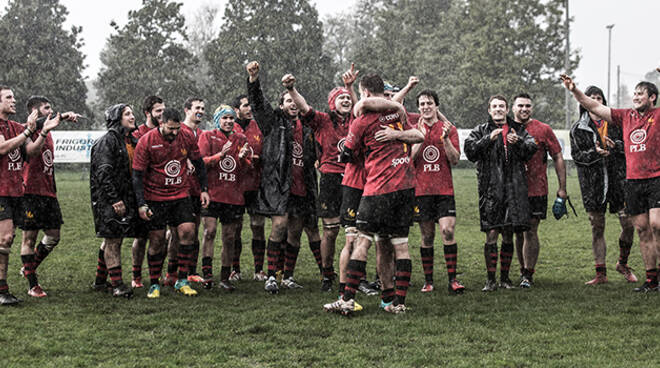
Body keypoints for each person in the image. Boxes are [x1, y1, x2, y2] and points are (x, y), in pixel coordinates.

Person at [324, 73, 424, 315]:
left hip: (378, 188)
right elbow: (419, 135)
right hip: (405, 188)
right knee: (400, 244)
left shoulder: (361, 121)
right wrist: (397, 135)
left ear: (364, 91)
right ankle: (396, 303)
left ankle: (347, 299)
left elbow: (346, 154)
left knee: (363, 240)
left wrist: (382, 141)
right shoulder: (398, 114)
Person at [562, 74, 660, 292]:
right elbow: (590, 105)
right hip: (629, 182)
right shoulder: (624, 116)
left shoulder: (657, 115)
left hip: (649, 179)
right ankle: (651, 280)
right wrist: (574, 90)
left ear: (652, 97)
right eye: (634, 93)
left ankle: (648, 272)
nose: (635, 97)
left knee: (655, 225)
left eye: (640, 93)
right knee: (642, 228)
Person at [246, 61, 318, 293]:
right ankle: (271, 276)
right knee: (279, 226)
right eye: (288, 101)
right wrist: (254, 80)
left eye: (295, 100)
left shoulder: (308, 128)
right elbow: (257, 104)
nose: (293, 104)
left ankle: (287, 275)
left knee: (295, 233)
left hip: (302, 186)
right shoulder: (273, 122)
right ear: (281, 105)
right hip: (279, 185)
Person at [287, 64, 358, 291]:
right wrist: (291, 89)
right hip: (330, 179)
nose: (346, 101)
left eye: (348, 98)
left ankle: (355, 276)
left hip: (354, 181)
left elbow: (362, 109)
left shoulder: (356, 121)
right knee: (331, 230)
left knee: (354, 233)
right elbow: (304, 107)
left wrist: (350, 87)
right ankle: (327, 274)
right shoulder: (322, 121)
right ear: (332, 102)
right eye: (341, 98)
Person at [132, 107, 210, 298]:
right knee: (157, 240)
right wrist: (141, 203)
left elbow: (198, 162)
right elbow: (137, 176)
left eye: (177, 128)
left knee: (188, 232)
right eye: (170, 129)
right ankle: (154, 283)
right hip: (155, 198)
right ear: (161, 123)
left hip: (180, 195)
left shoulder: (185, 135)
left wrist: (204, 189)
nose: (174, 133)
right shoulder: (147, 141)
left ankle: (181, 280)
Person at [464, 95, 537, 292]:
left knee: (507, 234)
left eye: (501, 106)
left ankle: (505, 278)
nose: (498, 109)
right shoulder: (481, 130)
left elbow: (532, 148)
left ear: (507, 110)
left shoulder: (518, 129)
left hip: (513, 190)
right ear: (489, 110)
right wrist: (488, 140)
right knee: (491, 234)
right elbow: (470, 151)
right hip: (490, 191)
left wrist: (519, 142)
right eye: (494, 106)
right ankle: (490, 279)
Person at [569, 86, 636, 285]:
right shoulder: (578, 128)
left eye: (599, 98)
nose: (595, 101)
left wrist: (618, 148)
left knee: (628, 224)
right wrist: (594, 154)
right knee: (597, 227)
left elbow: (631, 147)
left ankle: (622, 263)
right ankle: (600, 274)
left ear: (604, 101)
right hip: (593, 185)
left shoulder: (616, 123)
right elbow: (577, 156)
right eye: (592, 97)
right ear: (584, 101)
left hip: (618, 181)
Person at [0, 86, 60, 305]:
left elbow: (32, 151)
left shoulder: (16, 126)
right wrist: (28, 131)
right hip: (8, 192)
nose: (14, 101)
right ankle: (8, 289)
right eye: (8, 98)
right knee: (7, 239)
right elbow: (2, 147)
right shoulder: (17, 128)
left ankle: (9, 284)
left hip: (19, 191)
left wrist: (43, 131)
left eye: (14, 97)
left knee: (12, 239)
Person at [19, 96, 78, 297]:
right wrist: (63, 116)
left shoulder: (49, 130)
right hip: (30, 193)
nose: (50, 111)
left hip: (48, 192)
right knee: (29, 237)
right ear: (34, 112)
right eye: (46, 108)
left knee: (54, 235)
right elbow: (33, 152)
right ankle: (32, 285)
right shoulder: (24, 130)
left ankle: (29, 267)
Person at [410, 89, 465, 294]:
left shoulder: (448, 128)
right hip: (422, 191)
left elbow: (455, 160)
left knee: (447, 231)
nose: (426, 107)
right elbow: (410, 160)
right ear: (419, 108)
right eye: (422, 104)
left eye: (429, 103)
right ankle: (428, 281)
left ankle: (453, 279)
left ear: (436, 106)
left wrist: (446, 140)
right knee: (426, 237)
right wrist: (419, 139)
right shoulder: (413, 128)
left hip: (444, 190)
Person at [511, 93, 567, 289]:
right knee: (518, 231)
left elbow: (558, 156)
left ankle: (529, 273)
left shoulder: (543, 129)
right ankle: (522, 270)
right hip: (513, 189)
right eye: (520, 106)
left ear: (531, 108)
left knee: (531, 230)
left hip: (537, 188)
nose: (524, 109)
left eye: (528, 106)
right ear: (513, 108)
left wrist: (562, 187)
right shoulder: (506, 127)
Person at [199, 105, 250, 290]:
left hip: (233, 196)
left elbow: (245, 170)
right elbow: (201, 163)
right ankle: (207, 275)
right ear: (217, 120)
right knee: (209, 232)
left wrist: (244, 158)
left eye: (231, 118)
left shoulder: (241, 138)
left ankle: (225, 277)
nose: (228, 121)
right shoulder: (207, 136)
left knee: (229, 237)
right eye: (224, 118)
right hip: (213, 194)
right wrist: (220, 155)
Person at [90, 104, 138, 298]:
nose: (132, 117)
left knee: (113, 237)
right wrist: (114, 199)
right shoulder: (107, 141)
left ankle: (100, 281)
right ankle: (118, 285)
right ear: (117, 118)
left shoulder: (129, 140)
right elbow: (103, 174)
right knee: (113, 240)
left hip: (124, 196)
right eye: (127, 114)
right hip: (109, 199)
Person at [166, 97, 206, 285]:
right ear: (186, 110)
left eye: (203, 108)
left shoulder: (201, 134)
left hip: (196, 190)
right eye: (197, 108)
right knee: (175, 234)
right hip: (179, 189)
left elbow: (200, 161)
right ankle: (171, 273)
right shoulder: (177, 130)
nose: (200, 111)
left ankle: (191, 270)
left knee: (193, 231)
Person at [229, 94, 266, 282]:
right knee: (235, 228)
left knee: (257, 226)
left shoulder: (258, 126)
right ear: (236, 110)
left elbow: (267, 151)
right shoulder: (229, 127)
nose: (249, 108)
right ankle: (235, 269)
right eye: (245, 106)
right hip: (235, 185)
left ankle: (259, 269)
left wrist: (260, 160)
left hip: (255, 184)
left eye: (250, 105)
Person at [131, 95, 165, 289]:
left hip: (162, 192)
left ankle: (157, 275)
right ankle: (136, 275)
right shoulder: (138, 134)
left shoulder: (167, 132)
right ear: (147, 113)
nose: (161, 114)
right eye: (158, 110)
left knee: (161, 236)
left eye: (163, 110)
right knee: (141, 237)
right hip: (142, 192)